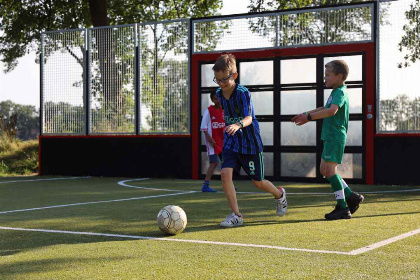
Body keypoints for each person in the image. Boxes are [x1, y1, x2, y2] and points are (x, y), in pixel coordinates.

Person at [213, 54, 288, 227]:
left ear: (234, 76)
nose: (221, 84)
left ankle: (279, 195)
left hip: (250, 142)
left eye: (224, 79)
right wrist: (231, 128)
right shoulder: (219, 93)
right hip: (232, 140)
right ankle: (236, 215)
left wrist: (238, 125)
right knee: (225, 174)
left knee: (258, 182)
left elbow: (248, 117)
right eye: (217, 80)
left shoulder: (243, 93)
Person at [291, 60, 364, 220]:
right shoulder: (336, 91)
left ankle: (343, 207)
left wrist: (309, 117)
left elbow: (331, 111)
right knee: (325, 170)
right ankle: (351, 196)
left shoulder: (340, 92)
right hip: (330, 136)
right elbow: (325, 109)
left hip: (335, 137)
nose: (325, 78)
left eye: (328, 75)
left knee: (330, 171)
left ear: (339, 76)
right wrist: (306, 114)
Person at [200, 91, 225, 192]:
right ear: (212, 100)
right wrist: (210, 139)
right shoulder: (209, 111)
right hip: (213, 142)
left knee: (226, 163)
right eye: (215, 98)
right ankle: (205, 186)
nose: (218, 100)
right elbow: (203, 127)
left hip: (223, 141)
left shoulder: (224, 110)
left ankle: (227, 185)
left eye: (219, 98)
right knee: (214, 162)